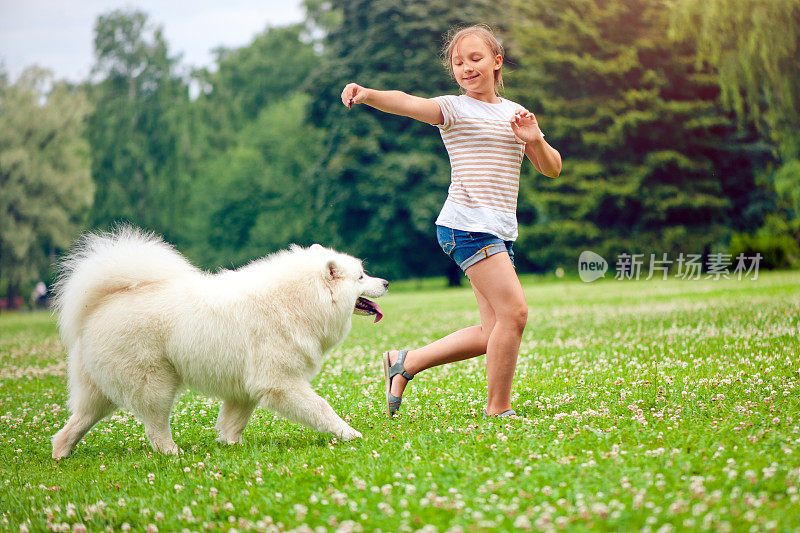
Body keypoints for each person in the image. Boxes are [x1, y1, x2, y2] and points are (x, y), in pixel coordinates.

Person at [340, 25, 562, 418]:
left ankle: (404, 363)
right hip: (466, 226)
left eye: (474, 59)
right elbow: (407, 103)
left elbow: (551, 169)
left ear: (496, 62)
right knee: (515, 314)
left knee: (493, 332)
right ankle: (498, 410)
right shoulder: (455, 109)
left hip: (498, 230)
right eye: (458, 63)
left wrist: (535, 138)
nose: (465, 68)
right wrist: (369, 94)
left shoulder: (515, 114)